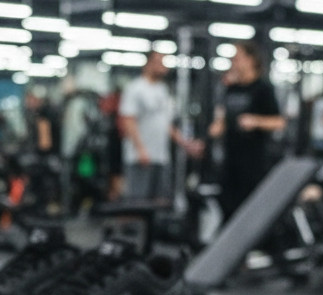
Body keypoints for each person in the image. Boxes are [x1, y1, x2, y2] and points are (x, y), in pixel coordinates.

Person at [209, 41, 286, 217]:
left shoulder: (263, 89)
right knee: (227, 208)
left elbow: (279, 122)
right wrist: (218, 126)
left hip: (254, 163)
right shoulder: (231, 89)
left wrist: (256, 121)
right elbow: (222, 117)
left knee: (250, 210)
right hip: (230, 161)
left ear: (251, 60)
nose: (233, 62)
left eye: (237, 58)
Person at [118, 50, 202, 202]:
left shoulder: (162, 90)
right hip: (140, 158)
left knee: (160, 201)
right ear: (149, 63)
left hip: (161, 157)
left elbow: (165, 123)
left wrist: (185, 143)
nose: (164, 66)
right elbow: (128, 120)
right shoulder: (136, 88)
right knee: (137, 202)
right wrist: (141, 149)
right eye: (160, 62)